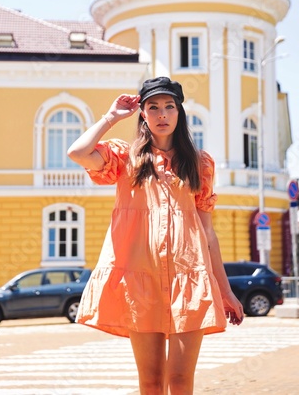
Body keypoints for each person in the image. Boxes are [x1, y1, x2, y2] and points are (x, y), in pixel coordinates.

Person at [67, 77, 244, 395]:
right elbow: (78, 152)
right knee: (150, 382)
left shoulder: (199, 164)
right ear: (143, 114)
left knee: (179, 380)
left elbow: (208, 233)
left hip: (187, 282)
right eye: (153, 107)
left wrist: (226, 291)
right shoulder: (124, 158)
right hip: (141, 283)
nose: (162, 114)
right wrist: (111, 116)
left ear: (179, 113)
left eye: (169, 106)